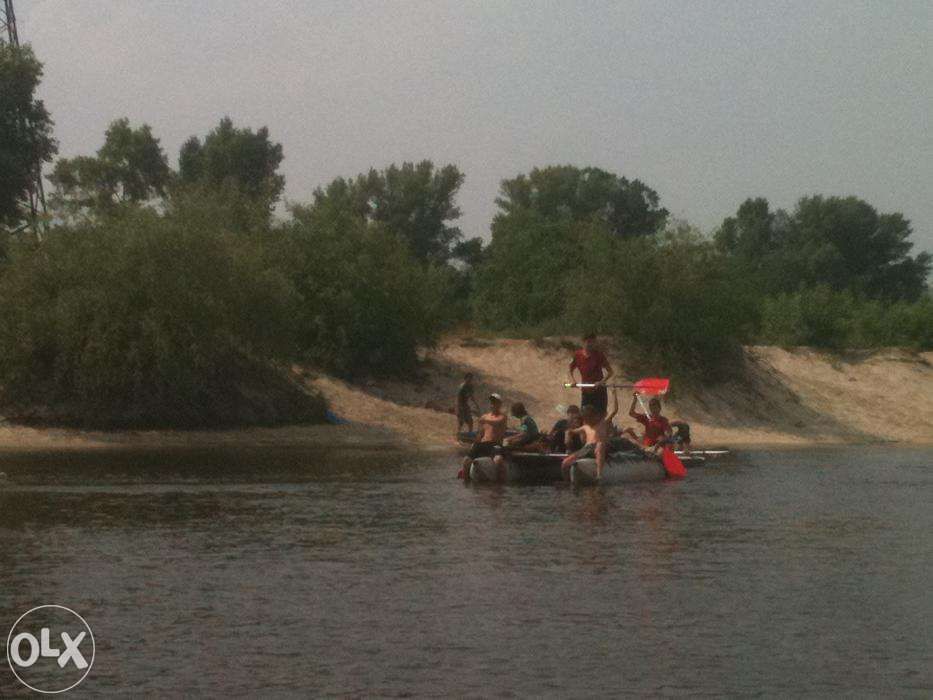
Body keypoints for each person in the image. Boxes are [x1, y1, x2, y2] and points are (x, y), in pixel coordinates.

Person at [561, 388, 620, 479]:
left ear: (594, 416)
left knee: (599, 445)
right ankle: (566, 480)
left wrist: (614, 394)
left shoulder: (602, 423)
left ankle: (599, 474)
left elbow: (614, 410)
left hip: (600, 447)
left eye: (589, 418)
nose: (587, 420)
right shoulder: (585, 427)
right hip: (587, 449)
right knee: (565, 463)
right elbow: (571, 431)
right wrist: (567, 435)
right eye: (585, 418)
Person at [460, 393, 508, 477]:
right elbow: (480, 434)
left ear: (499, 404)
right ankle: (465, 480)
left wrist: (484, 420)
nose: (493, 404)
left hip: (495, 444)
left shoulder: (502, 417)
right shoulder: (485, 417)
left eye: (495, 402)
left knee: (498, 460)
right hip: (482, 444)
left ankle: (499, 485)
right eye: (491, 402)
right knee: (466, 460)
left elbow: (497, 422)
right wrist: (475, 443)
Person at [568, 333, 614, 416]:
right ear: (583, 342)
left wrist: (601, 382)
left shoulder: (599, 355)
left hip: (599, 390)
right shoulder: (577, 355)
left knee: (600, 415)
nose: (591, 345)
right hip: (586, 390)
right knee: (584, 415)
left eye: (593, 342)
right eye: (589, 342)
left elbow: (610, 372)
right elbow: (570, 370)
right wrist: (573, 380)